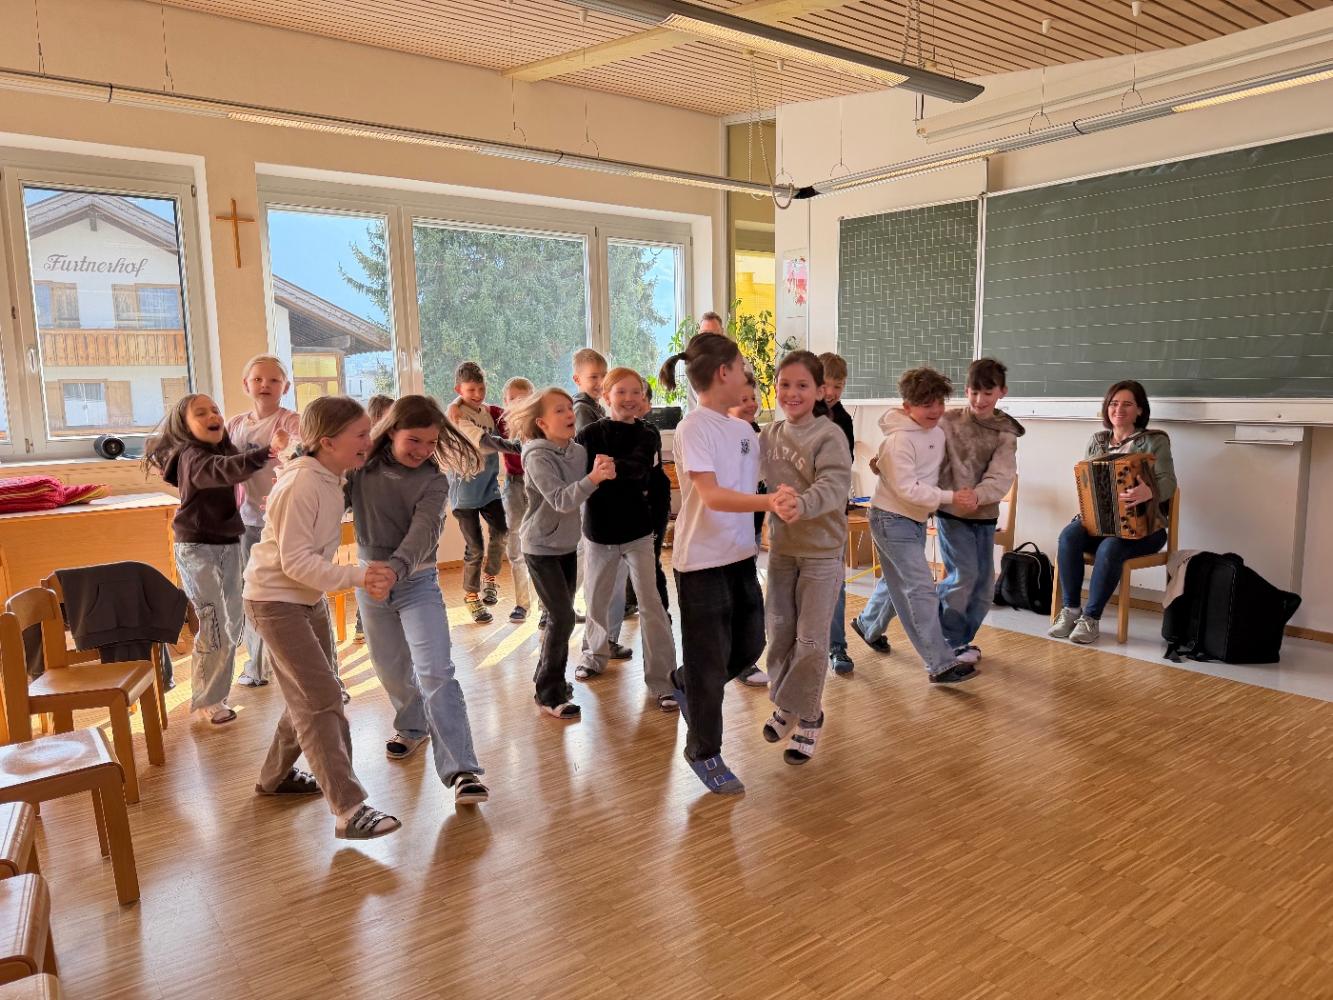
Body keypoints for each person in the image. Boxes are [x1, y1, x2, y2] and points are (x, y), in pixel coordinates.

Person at [243, 395, 400, 840]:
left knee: (310, 694)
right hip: (276, 602)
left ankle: (274, 778)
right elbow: (295, 562)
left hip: (303, 598)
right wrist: (357, 575)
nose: (369, 441)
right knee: (321, 697)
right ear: (328, 442)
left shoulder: (328, 476)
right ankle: (349, 809)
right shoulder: (302, 484)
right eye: (361, 434)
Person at [658, 332, 799, 795]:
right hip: (700, 564)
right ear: (724, 373)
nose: (747, 377)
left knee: (749, 644)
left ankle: (687, 682)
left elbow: (765, 476)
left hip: (740, 557)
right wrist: (768, 502)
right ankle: (704, 751)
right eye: (742, 369)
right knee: (709, 661)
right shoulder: (694, 428)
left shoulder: (743, 430)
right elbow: (713, 496)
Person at [347, 395, 489, 805]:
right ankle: (412, 727)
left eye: (431, 443)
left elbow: (423, 533)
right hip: (369, 581)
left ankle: (462, 770)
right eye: (415, 440)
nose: (424, 450)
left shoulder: (434, 480)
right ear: (392, 431)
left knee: (436, 672)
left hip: (417, 581)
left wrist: (394, 569)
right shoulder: (361, 469)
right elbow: (328, 497)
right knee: (390, 668)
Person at [144, 393, 280, 724]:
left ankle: (215, 691)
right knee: (214, 621)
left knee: (231, 621)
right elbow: (226, 471)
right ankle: (210, 698)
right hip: (197, 548)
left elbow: (235, 463)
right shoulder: (192, 456)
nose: (212, 416)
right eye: (201, 413)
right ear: (185, 426)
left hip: (228, 544)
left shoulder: (222, 449)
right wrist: (268, 450)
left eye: (215, 410)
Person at [759, 351, 851, 765]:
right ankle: (788, 703)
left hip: (821, 554)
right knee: (779, 632)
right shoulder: (769, 434)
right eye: (784, 384)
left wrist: (803, 503)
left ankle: (809, 715)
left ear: (819, 391)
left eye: (802, 385)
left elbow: (835, 484)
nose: (792, 393)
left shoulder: (829, 435)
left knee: (811, 640)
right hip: (782, 551)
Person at [507, 387, 616, 719]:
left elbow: (584, 490)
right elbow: (561, 500)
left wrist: (600, 472)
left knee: (560, 617)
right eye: (559, 410)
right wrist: (594, 478)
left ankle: (547, 678)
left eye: (570, 408)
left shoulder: (578, 451)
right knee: (563, 617)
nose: (570, 414)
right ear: (541, 423)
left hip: (567, 544)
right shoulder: (536, 456)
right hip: (540, 548)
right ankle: (549, 693)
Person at [575, 367, 679, 711]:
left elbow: (639, 468)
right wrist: (598, 473)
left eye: (637, 392)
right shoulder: (589, 433)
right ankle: (593, 656)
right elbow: (581, 474)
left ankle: (664, 680)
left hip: (638, 532)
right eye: (621, 392)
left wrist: (607, 469)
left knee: (651, 605)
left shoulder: (648, 433)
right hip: (599, 533)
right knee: (597, 601)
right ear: (606, 396)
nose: (630, 398)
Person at [868, 368, 979, 685]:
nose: (935, 410)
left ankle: (867, 626)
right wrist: (951, 497)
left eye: (939, 403)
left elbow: (934, 471)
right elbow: (908, 489)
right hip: (891, 519)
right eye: (926, 404)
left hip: (915, 519)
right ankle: (940, 664)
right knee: (920, 589)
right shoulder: (898, 440)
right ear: (908, 407)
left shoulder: (937, 431)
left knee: (897, 585)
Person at [1049, 379, 1176, 645]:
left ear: (1140, 410)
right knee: (1069, 536)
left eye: (1127, 404)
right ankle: (1071, 609)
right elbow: (1087, 482)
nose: (1119, 409)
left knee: (1110, 547)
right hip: (1102, 524)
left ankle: (1091, 618)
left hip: (1147, 528)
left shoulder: (1155, 441)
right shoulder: (1097, 441)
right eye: (1114, 403)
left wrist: (1149, 491)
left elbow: (1168, 482)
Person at [936, 358, 1024, 664]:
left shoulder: (1005, 431)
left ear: (1002, 392)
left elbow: (1002, 474)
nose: (980, 400)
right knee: (963, 575)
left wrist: (978, 495)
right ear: (966, 390)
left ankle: (959, 639)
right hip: (951, 514)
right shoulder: (947, 421)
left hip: (984, 517)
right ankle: (949, 640)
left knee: (984, 586)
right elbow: (920, 448)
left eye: (988, 393)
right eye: (974, 392)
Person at [226, 354, 303, 688]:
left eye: (274, 380)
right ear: (246, 385)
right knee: (252, 593)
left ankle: (312, 671)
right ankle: (256, 667)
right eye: (257, 379)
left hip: (285, 522)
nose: (265, 385)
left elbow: (308, 455)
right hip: (247, 520)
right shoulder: (234, 425)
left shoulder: (292, 421)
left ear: (285, 387)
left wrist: (288, 447)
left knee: (294, 592)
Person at [446, 362, 509, 624]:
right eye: (471, 390)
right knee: (475, 548)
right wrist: (515, 447)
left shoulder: (488, 412)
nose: (478, 394)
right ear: (459, 390)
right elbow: (483, 441)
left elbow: (507, 416)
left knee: (501, 531)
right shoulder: (455, 415)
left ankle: (490, 578)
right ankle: (471, 596)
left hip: (489, 488)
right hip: (464, 495)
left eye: (481, 389)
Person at [813, 351, 857, 675]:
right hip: (803, 513)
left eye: (838, 387)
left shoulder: (844, 420)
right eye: (826, 385)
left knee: (835, 581)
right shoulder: (802, 414)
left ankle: (836, 644)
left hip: (833, 513)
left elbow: (845, 465)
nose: (831, 393)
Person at [726, 374, 769, 687]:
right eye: (743, 400)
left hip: (750, 527)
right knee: (733, 596)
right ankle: (733, 658)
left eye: (753, 398)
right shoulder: (723, 436)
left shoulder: (758, 435)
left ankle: (744, 659)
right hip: (727, 530)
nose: (751, 405)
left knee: (746, 593)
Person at [351, 393, 395, 645]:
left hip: (393, 527)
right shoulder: (363, 452)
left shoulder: (396, 450)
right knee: (371, 572)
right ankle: (362, 621)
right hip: (370, 528)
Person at [499, 377, 536, 624]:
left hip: (537, 483)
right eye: (512, 399)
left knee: (540, 544)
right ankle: (522, 603)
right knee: (515, 546)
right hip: (513, 485)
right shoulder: (499, 420)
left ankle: (546, 606)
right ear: (505, 401)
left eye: (523, 399)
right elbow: (470, 406)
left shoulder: (538, 420)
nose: (517, 404)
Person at [572, 348, 608, 433]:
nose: (602, 382)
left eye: (604, 376)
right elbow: (588, 441)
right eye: (593, 377)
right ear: (577, 380)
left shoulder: (597, 408)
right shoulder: (581, 409)